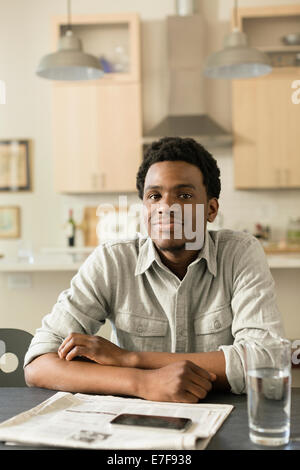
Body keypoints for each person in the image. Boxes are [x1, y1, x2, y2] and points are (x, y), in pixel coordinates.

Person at [24, 137, 284, 403]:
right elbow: (39, 363)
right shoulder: (113, 260)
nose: (166, 208)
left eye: (184, 195)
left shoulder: (239, 253)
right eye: (154, 196)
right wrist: (142, 382)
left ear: (211, 209)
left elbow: (268, 359)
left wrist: (129, 359)